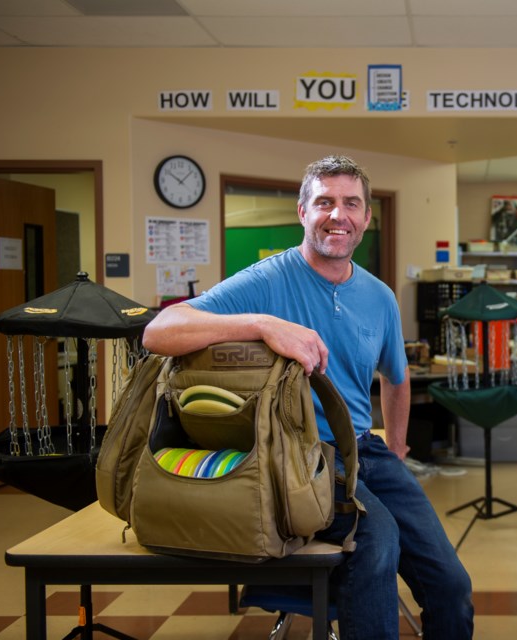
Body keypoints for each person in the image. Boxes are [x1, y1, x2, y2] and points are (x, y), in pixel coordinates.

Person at [142, 155, 474, 639]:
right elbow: (159, 331)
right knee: (377, 540)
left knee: (451, 582)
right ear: (303, 212)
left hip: (367, 450)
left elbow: (396, 378)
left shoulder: (380, 296)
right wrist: (262, 324)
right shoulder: (265, 281)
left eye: (351, 204)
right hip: (299, 455)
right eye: (324, 202)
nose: (337, 215)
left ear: (364, 218)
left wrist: (397, 446)